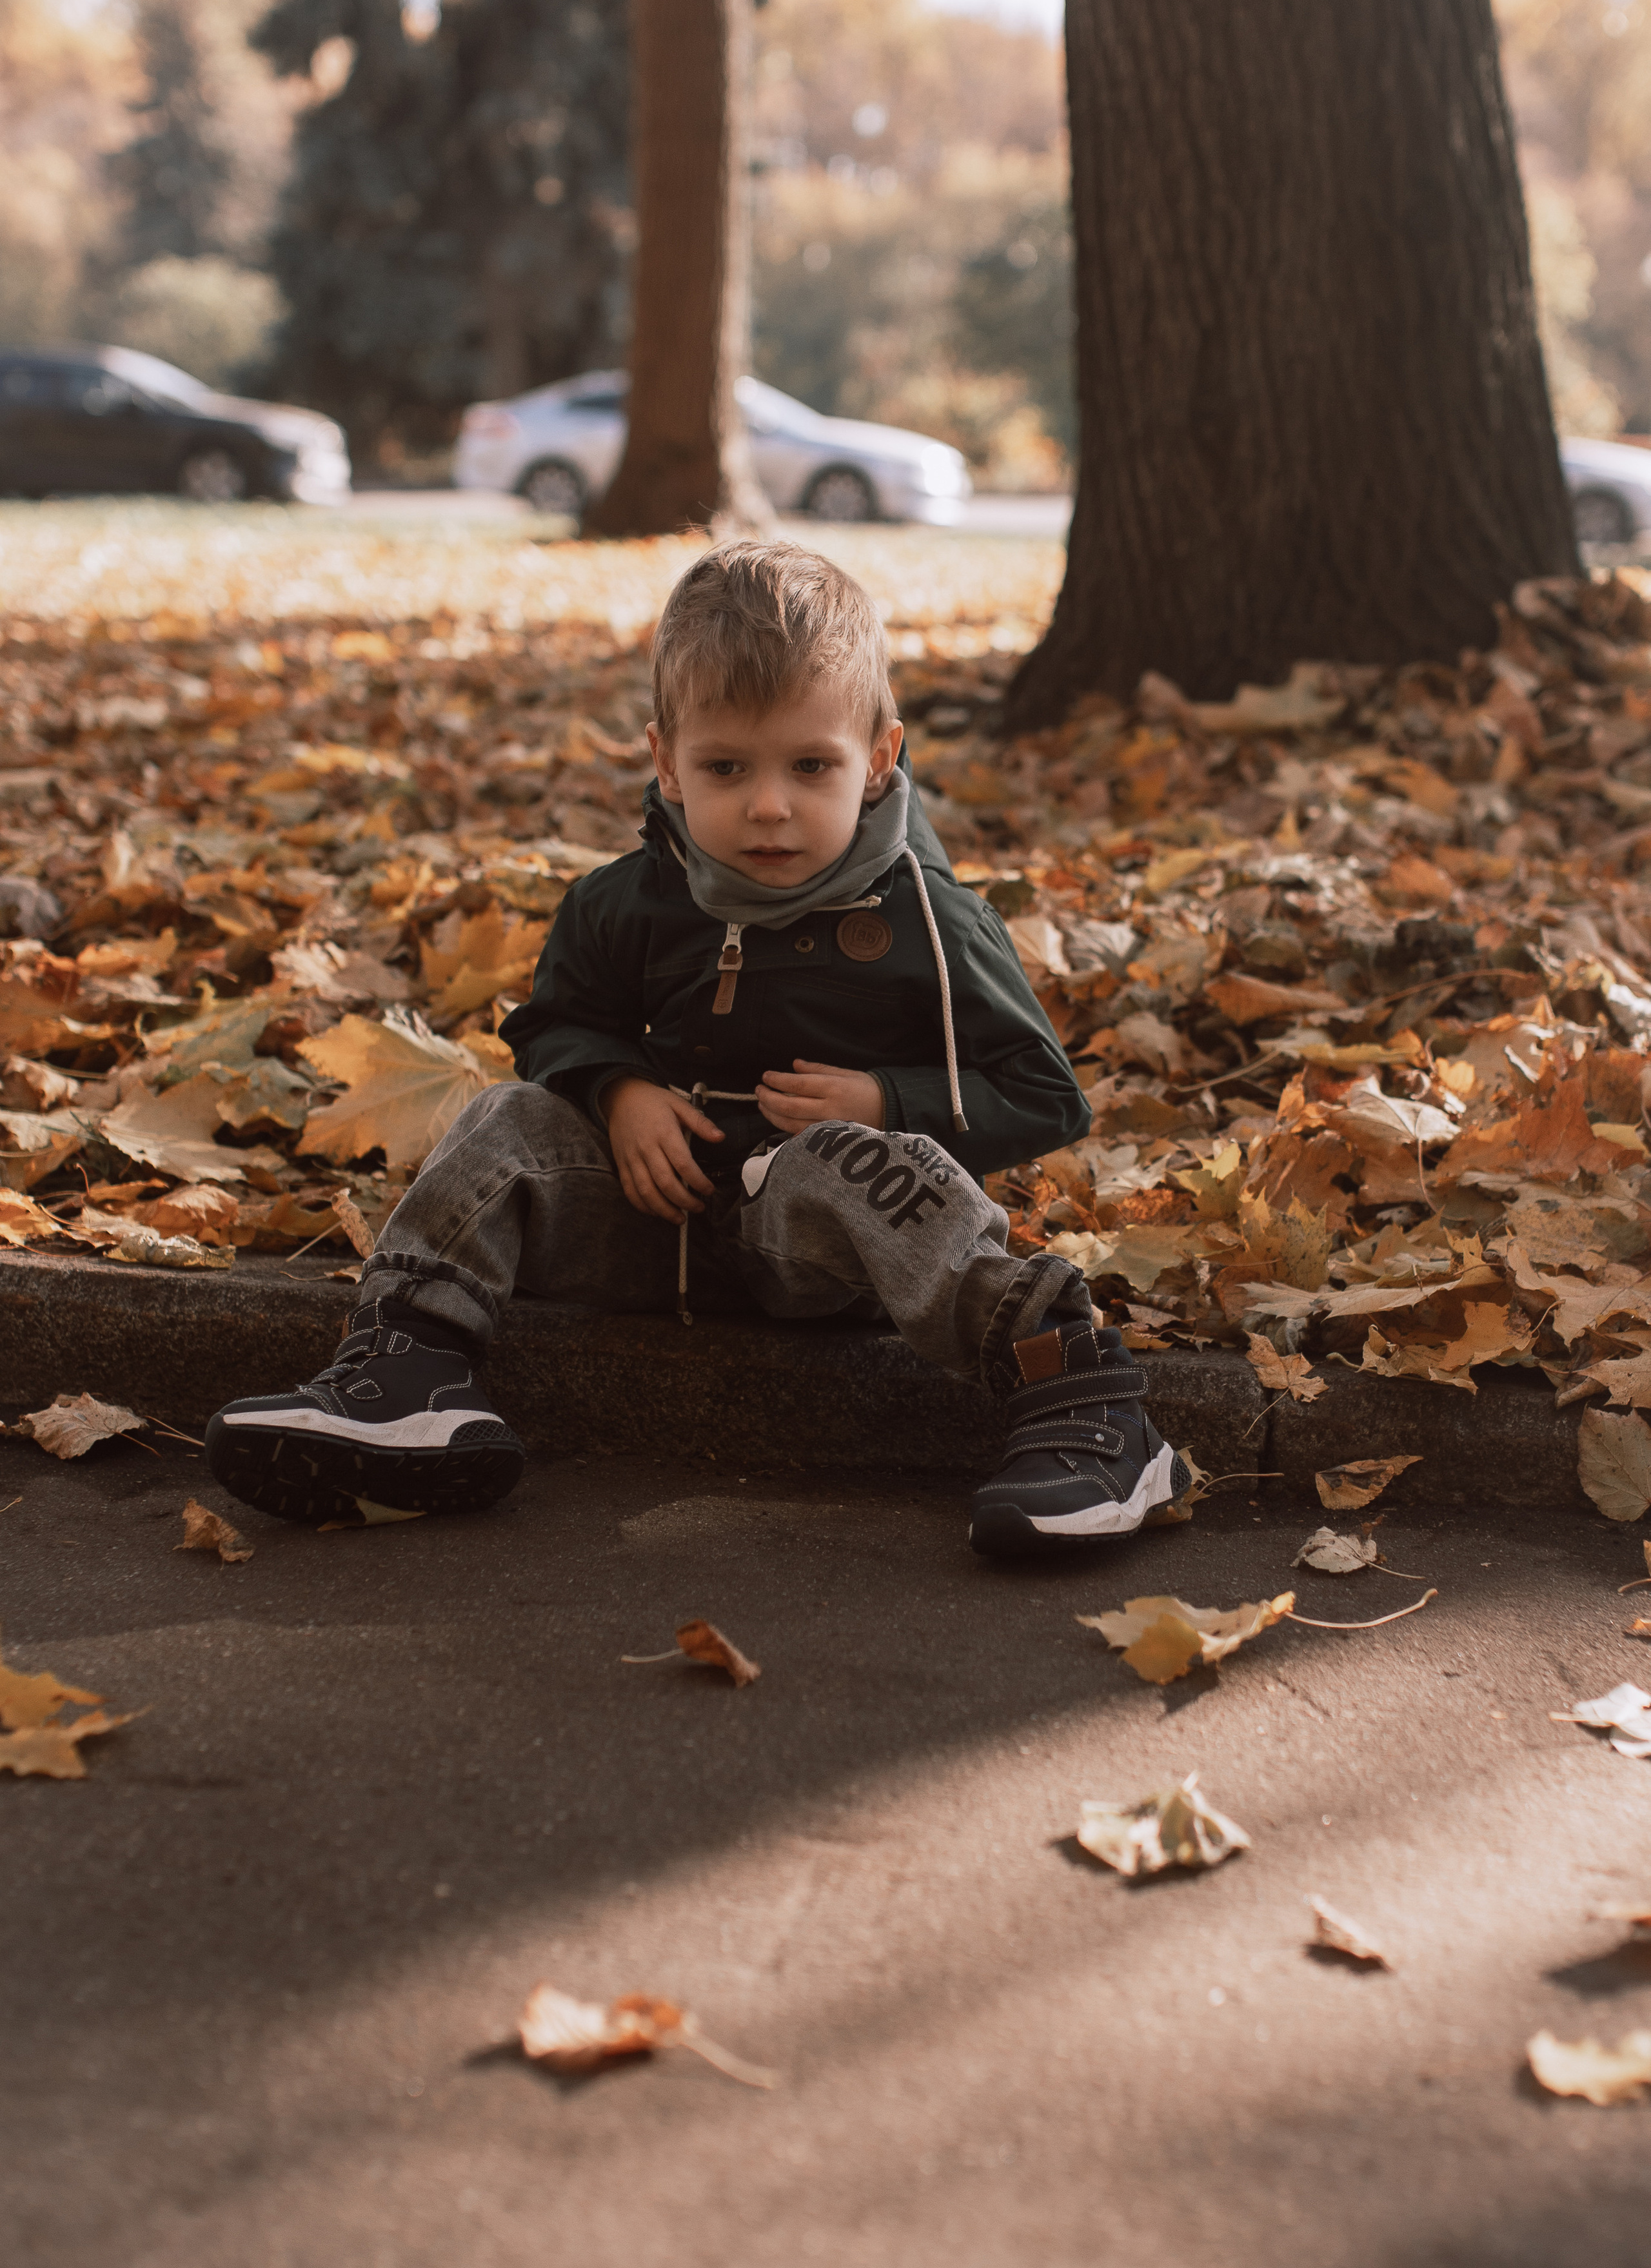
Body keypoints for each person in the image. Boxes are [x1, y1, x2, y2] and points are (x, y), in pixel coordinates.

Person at [205, 543, 1188, 1553]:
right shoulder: (624, 901)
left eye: (813, 767)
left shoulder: (932, 924)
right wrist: (620, 1089)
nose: (769, 806)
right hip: (651, 1221)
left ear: (881, 756)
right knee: (508, 1118)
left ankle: (1083, 1397)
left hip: (822, 1252)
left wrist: (888, 1101)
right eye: (726, 768)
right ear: (666, 758)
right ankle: (405, 1371)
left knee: (849, 1164)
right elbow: (552, 1026)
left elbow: (1045, 1096)